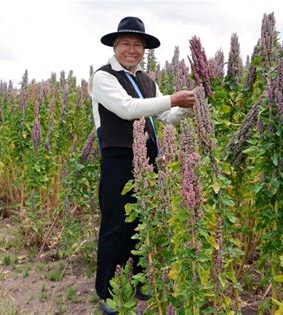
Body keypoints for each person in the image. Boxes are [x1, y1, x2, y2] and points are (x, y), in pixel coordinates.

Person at [89, 16, 196, 314]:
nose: (132, 50)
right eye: (126, 43)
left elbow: (166, 117)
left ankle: (138, 280)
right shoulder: (103, 77)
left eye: (138, 45)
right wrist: (172, 98)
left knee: (143, 221)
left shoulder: (147, 80)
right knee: (115, 225)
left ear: (144, 49)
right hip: (117, 157)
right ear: (115, 45)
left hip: (148, 158)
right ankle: (108, 292)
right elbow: (126, 109)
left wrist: (187, 107)